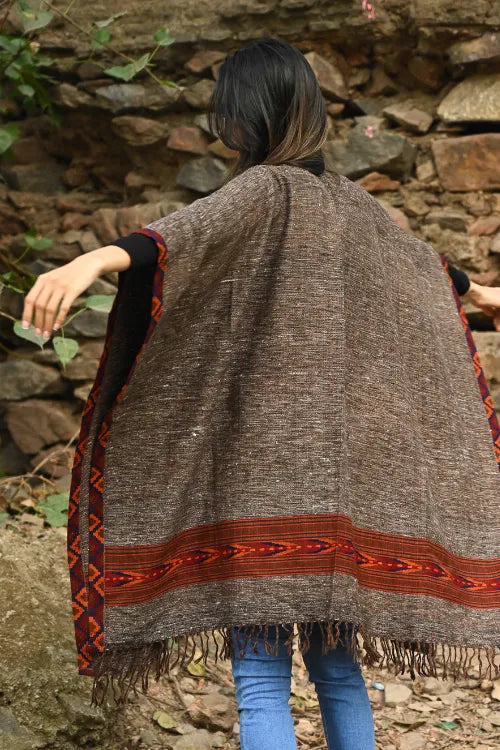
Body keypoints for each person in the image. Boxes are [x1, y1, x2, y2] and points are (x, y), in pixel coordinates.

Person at [21, 38, 500, 750]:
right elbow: (426, 266)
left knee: (260, 678)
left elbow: (174, 239)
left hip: (261, 489)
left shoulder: (259, 190)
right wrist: (482, 291)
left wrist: (89, 260)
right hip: (339, 498)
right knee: (337, 669)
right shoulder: (357, 207)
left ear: (244, 118)